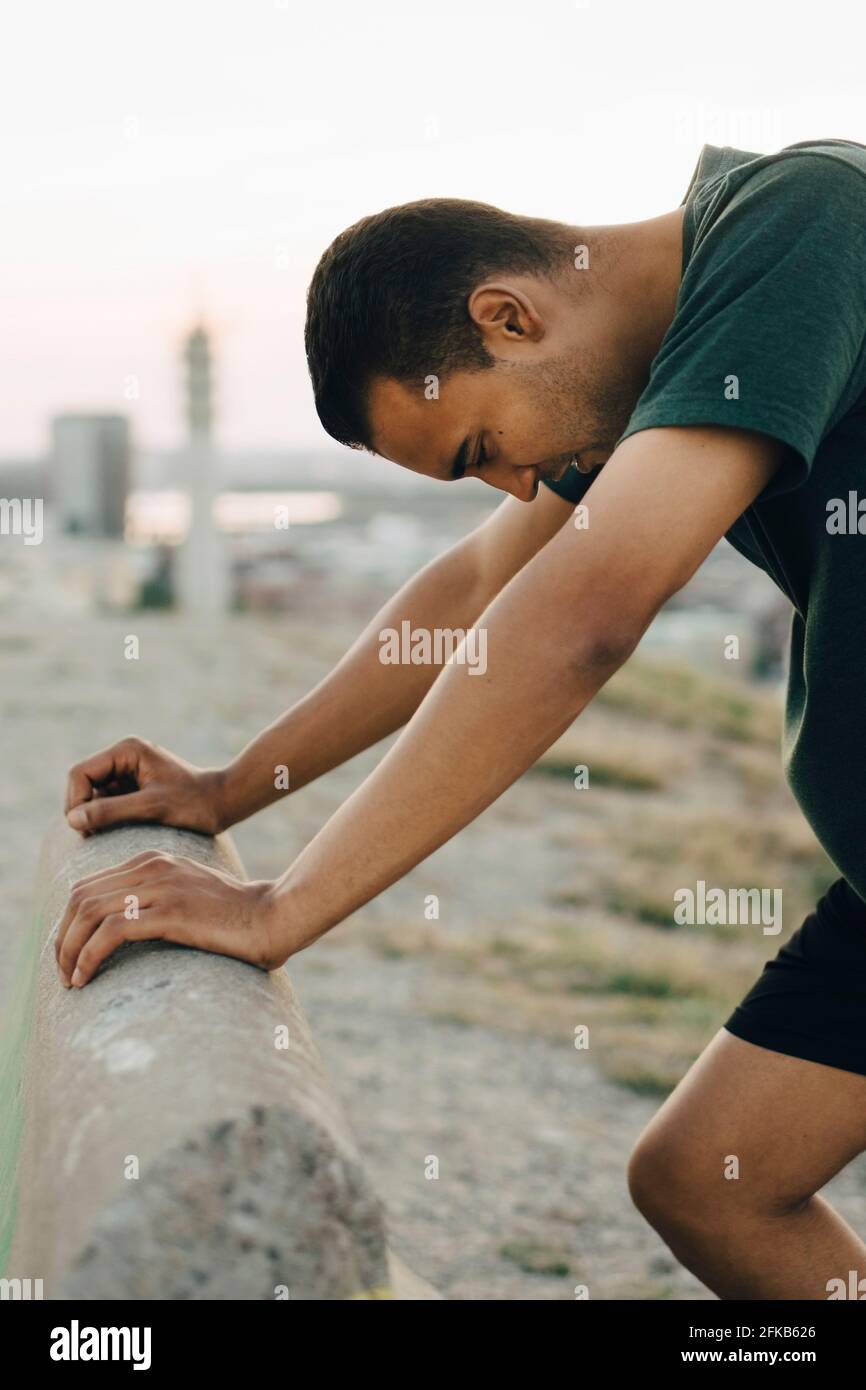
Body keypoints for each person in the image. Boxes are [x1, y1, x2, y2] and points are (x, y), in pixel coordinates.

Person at [58, 139, 866, 1299]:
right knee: (705, 1182)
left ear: (508, 316)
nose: (519, 486)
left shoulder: (804, 221)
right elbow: (474, 588)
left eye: (481, 448)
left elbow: (581, 613)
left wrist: (278, 908)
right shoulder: (636, 389)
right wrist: (233, 789)